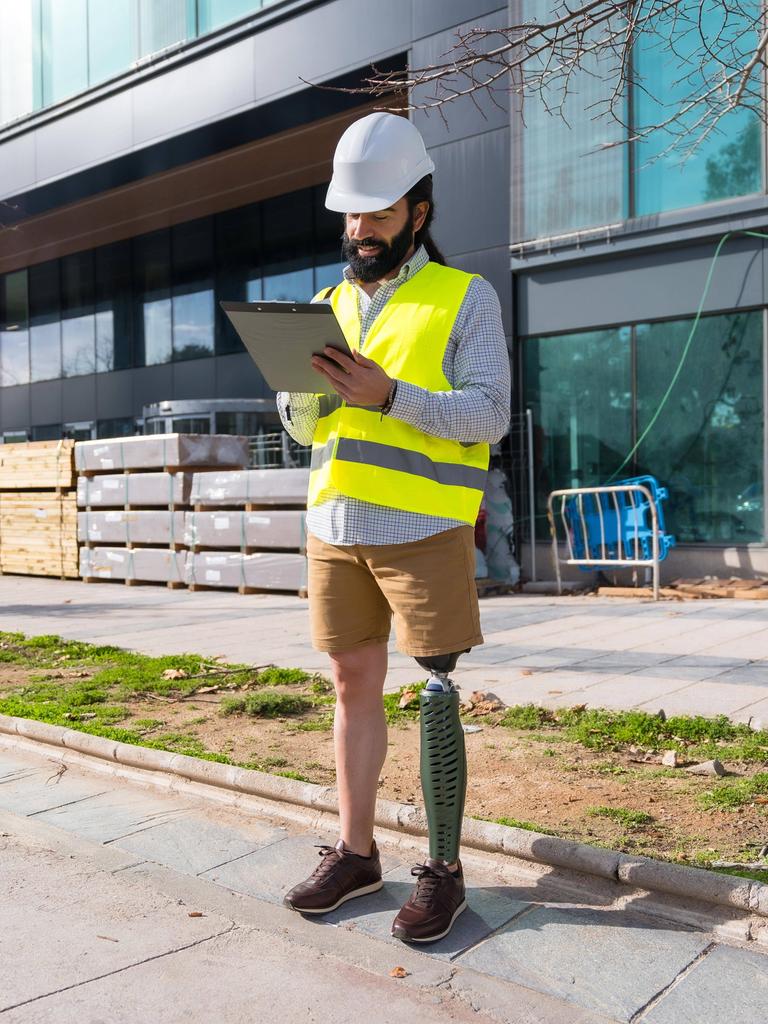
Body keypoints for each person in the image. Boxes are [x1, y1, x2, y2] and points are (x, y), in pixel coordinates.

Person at [278, 111, 510, 943]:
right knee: (351, 686)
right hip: (333, 524)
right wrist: (296, 389)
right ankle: (355, 851)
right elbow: (306, 430)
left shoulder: (464, 297)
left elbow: (492, 412)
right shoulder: (326, 303)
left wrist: (390, 396)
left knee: (438, 690)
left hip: (421, 527)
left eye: (377, 213)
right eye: (351, 213)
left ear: (419, 211)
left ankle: (442, 873)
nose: (360, 229)